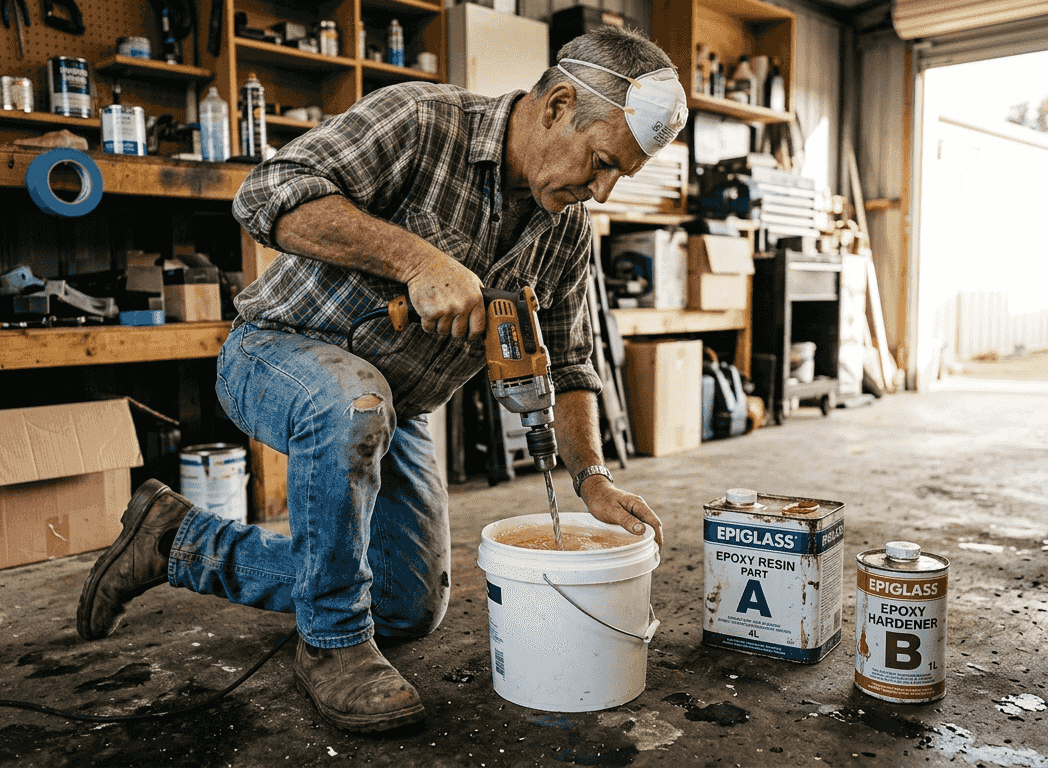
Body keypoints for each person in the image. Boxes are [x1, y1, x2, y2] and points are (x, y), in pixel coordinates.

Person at [77, 24, 686, 733]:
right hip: (276, 352)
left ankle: (177, 541)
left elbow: (572, 362)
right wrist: (417, 261)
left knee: (407, 605)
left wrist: (592, 479)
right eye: (603, 162)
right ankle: (331, 643)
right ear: (557, 106)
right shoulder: (423, 121)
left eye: (621, 177)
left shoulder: (567, 228)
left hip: (397, 407)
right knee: (353, 405)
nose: (603, 192)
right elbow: (267, 193)